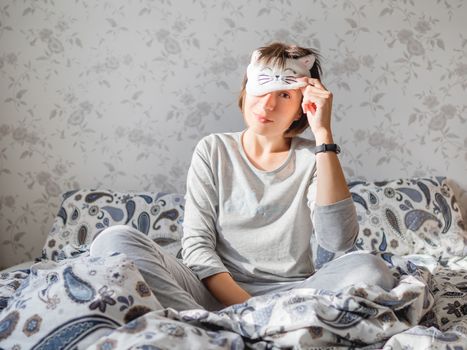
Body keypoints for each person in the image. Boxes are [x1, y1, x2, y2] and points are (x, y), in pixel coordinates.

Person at [90, 41, 396, 312]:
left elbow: (338, 241)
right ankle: (226, 327)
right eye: (261, 87)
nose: (268, 104)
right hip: (212, 294)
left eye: (286, 94)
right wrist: (249, 310)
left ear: (302, 108)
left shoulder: (313, 157)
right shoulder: (213, 149)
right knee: (113, 240)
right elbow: (197, 247)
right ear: (246, 89)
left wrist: (323, 136)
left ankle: (215, 329)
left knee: (370, 268)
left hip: (292, 297)